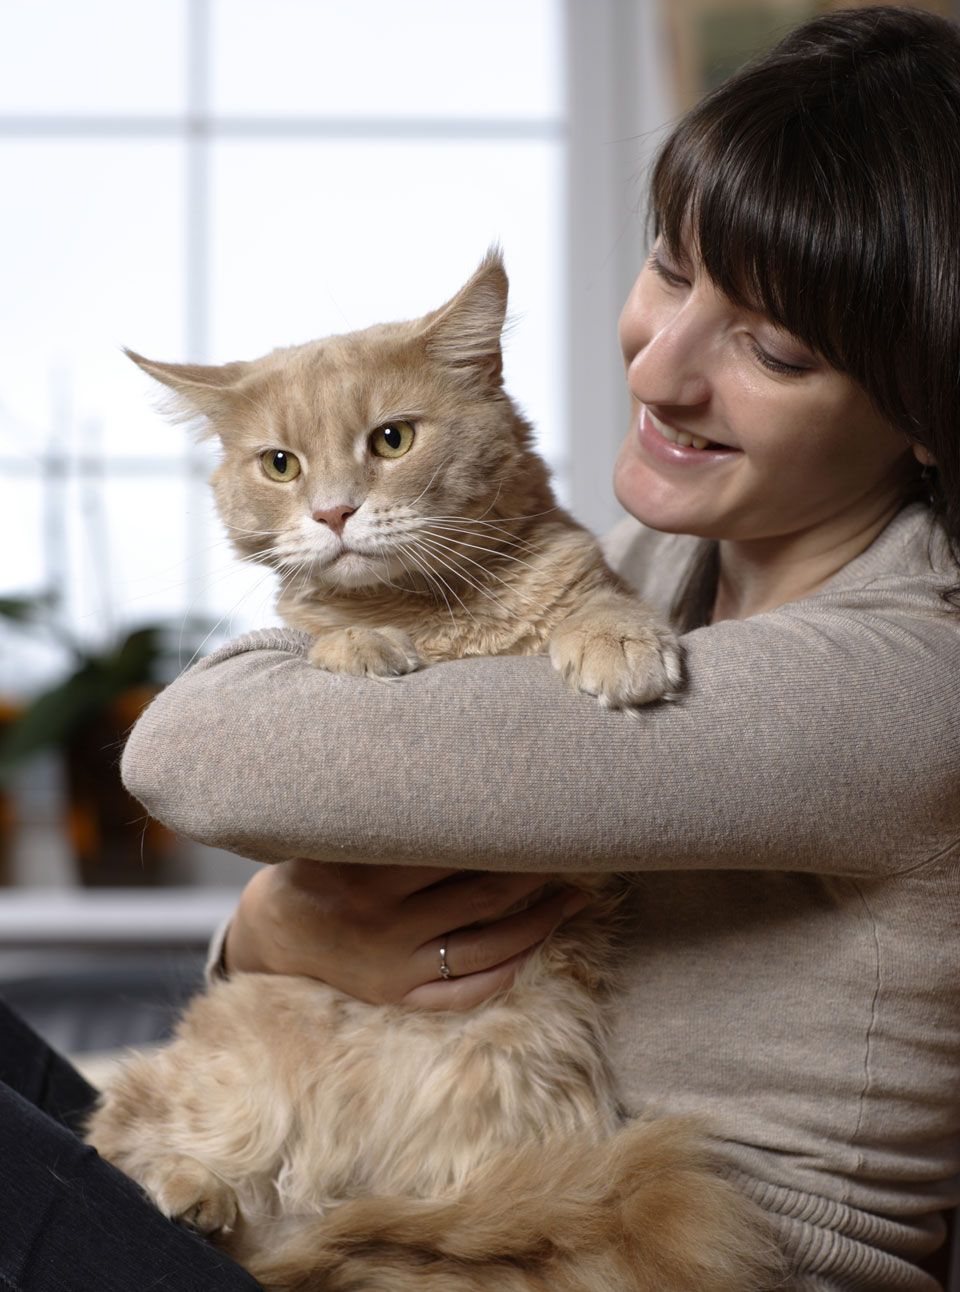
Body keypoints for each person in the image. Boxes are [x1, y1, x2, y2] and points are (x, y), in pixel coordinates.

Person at [2, 6, 958, 1290]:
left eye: (773, 348)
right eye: (671, 270)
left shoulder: (907, 681)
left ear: (930, 413)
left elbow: (201, 753)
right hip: (402, 1197)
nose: (663, 369)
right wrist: (276, 939)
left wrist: (279, 917)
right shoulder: (657, 561)